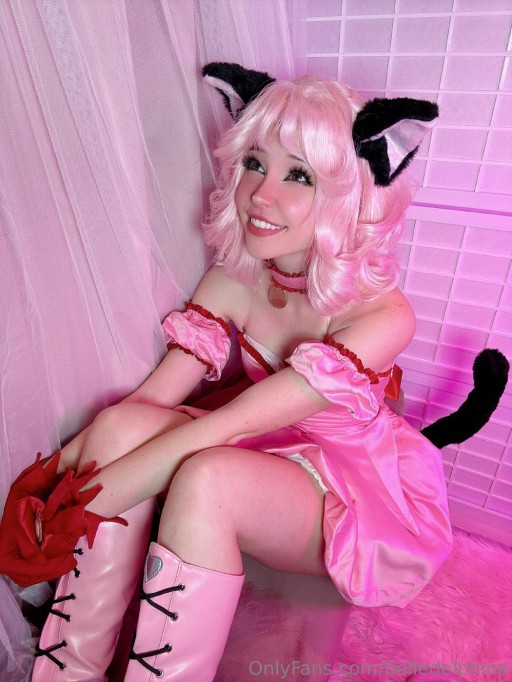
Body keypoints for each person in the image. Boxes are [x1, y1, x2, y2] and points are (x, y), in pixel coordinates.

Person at [1, 64, 454, 682]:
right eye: (255, 163)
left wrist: (88, 503)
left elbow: (228, 426)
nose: (261, 195)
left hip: (350, 487)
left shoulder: (385, 316)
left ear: (351, 192)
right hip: (262, 447)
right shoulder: (237, 275)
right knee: (120, 427)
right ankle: (66, 673)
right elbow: (150, 402)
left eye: (299, 175)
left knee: (207, 479)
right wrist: (51, 482)